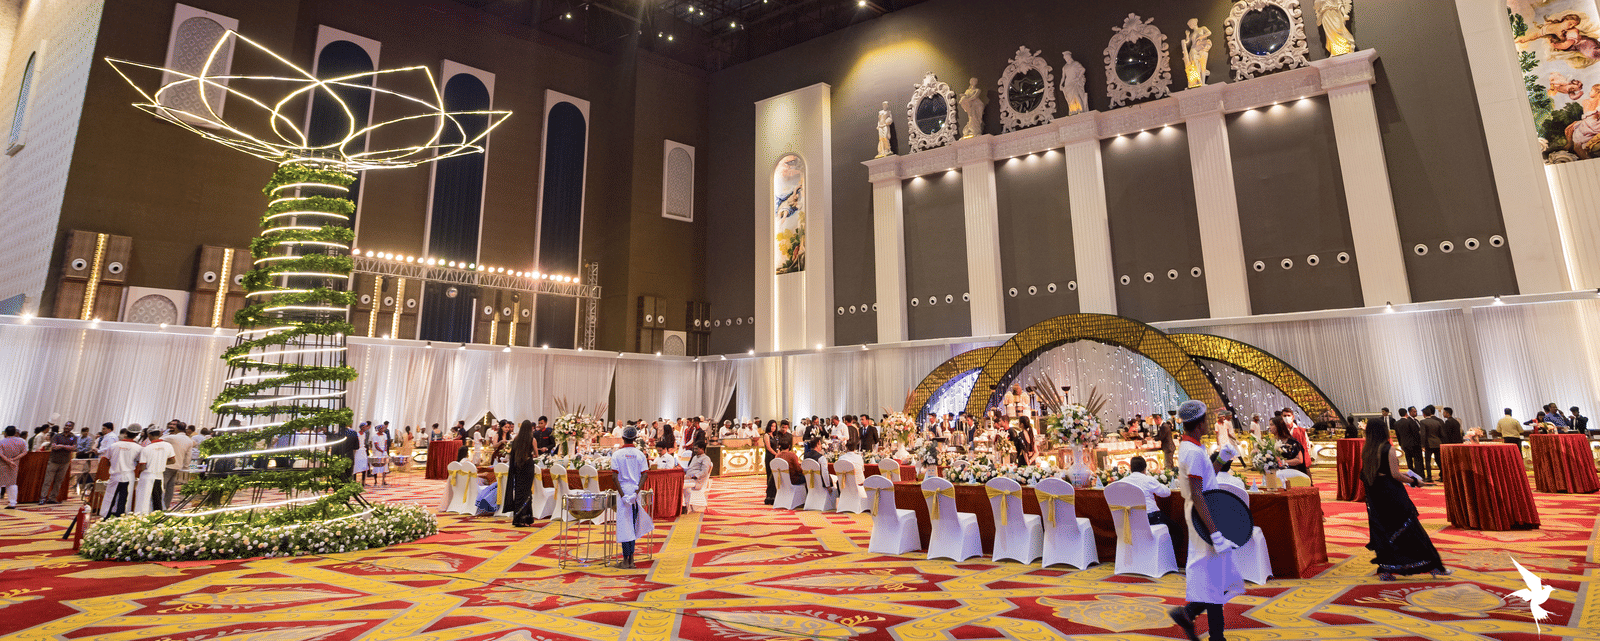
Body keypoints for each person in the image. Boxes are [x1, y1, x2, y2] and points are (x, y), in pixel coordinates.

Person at [1167, 400, 1244, 641]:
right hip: (1203, 513)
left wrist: (1221, 459)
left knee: (1214, 575)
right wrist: (1215, 532)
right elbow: (1198, 492)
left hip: (1203, 511)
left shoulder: (1193, 446)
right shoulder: (1192, 451)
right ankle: (1212, 632)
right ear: (1200, 423)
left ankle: (1190, 615)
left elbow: (1205, 477)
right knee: (1214, 576)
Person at [1361, 417, 1450, 581]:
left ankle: (1386, 569)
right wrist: (1415, 481)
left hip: (1377, 497)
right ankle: (1434, 566)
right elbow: (1395, 475)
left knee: (1386, 532)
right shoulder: (1388, 449)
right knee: (1411, 529)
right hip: (1393, 495)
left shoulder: (1367, 449)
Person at [611, 425, 653, 569]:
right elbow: (645, 474)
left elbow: (614, 477)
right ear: (635, 438)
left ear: (623, 437)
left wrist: (623, 495)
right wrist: (636, 493)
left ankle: (626, 559)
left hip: (623, 489)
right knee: (633, 524)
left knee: (624, 526)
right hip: (635, 489)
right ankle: (631, 559)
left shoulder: (617, 454)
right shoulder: (640, 454)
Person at [101, 427, 143, 518]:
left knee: (110, 496)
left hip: (115, 474)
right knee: (125, 498)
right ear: (136, 435)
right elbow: (140, 463)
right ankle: (121, 516)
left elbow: (106, 460)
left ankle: (106, 516)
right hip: (128, 475)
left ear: (126, 433)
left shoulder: (114, 445)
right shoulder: (139, 448)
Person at [1122, 456, 1173, 526]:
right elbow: (1166, 493)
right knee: (1175, 529)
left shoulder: (1122, 482)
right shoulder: (1148, 479)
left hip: (1131, 519)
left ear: (1130, 468)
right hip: (1151, 517)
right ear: (1145, 469)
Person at [135, 428, 174, 513]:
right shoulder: (168, 445)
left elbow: (142, 467)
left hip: (147, 476)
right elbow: (172, 460)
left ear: (149, 435)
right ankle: (157, 516)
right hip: (159, 475)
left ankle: (143, 516)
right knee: (158, 497)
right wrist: (161, 462)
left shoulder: (146, 448)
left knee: (144, 499)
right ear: (160, 434)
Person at [507, 420, 538, 527]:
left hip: (519, 467)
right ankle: (526, 518)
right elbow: (536, 454)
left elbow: (513, 453)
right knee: (527, 492)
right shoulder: (532, 439)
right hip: (528, 467)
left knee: (520, 492)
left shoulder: (516, 439)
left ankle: (518, 518)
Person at [39, 423, 78, 505]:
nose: (67, 427)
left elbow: (74, 448)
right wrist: (67, 447)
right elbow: (54, 447)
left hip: (65, 462)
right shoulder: (57, 436)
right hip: (53, 461)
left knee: (58, 481)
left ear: (72, 428)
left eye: (69, 426)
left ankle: (52, 498)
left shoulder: (74, 437)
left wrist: (61, 446)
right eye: (66, 425)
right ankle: (42, 498)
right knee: (48, 480)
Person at [162, 421, 193, 509]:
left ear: (176, 428)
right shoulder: (189, 440)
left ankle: (159, 506)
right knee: (170, 488)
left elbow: (159, 439)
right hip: (178, 466)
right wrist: (185, 466)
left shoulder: (172, 437)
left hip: (168, 465)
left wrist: (166, 432)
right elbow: (188, 456)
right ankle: (166, 506)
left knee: (162, 487)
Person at [0, 426, 27, 509]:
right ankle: (12, 503)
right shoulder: (21, 442)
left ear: (6, 433)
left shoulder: (2, 442)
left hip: (2, 464)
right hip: (14, 465)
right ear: (15, 432)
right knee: (12, 483)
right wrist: (14, 459)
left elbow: (0, 454)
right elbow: (25, 452)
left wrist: (8, 461)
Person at [1394, 407, 1424, 479]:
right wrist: (1420, 443)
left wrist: (1401, 444)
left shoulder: (1396, 423)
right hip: (1414, 444)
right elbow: (1415, 433)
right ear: (1406, 413)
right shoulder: (1410, 422)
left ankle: (1411, 475)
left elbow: (1398, 435)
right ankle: (1420, 476)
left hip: (1404, 445)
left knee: (1409, 461)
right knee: (1418, 460)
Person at [1419, 405, 1444, 483]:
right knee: (1439, 460)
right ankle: (1443, 476)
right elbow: (1441, 434)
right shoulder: (1437, 422)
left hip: (1428, 444)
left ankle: (1429, 477)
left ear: (1424, 414)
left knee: (1427, 461)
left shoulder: (1423, 422)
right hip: (1437, 443)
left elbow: (1423, 435)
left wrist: (1422, 445)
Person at [683, 444, 712, 510]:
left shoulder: (706, 458)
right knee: (677, 483)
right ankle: (684, 504)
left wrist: (695, 476)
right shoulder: (694, 457)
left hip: (697, 481)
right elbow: (690, 469)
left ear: (702, 449)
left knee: (680, 484)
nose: (694, 450)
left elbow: (704, 472)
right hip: (689, 479)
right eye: (694, 449)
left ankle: (685, 506)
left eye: (696, 449)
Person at [761, 420, 781, 504]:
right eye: (772, 426)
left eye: (775, 426)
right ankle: (769, 496)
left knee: (775, 476)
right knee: (770, 476)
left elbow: (777, 446)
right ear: (769, 426)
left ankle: (775, 495)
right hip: (770, 457)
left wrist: (779, 453)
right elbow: (768, 447)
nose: (773, 428)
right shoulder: (766, 435)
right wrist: (775, 453)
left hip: (775, 456)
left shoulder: (774, 435)